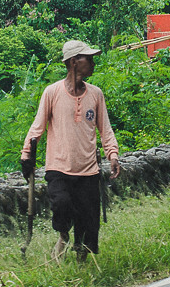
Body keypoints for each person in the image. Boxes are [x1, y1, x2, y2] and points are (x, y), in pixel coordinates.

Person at [20, 40, 121, 261]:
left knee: (88, 224)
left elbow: (105, 129)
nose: (93, 63)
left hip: (88, 170)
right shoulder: (52, 92)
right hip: (59, 167)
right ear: (74, 62)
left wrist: (112, 154)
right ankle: (63, 237)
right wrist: (26, 155)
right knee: (62, 205)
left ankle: (82, 265)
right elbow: (37, 127)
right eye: (89, 59)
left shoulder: (95, 94)